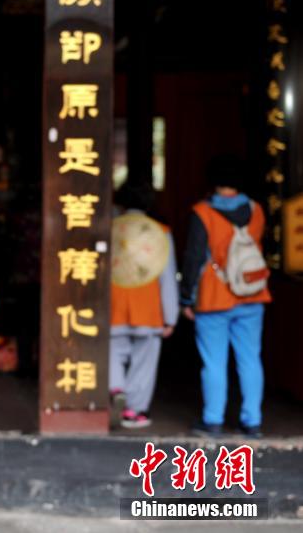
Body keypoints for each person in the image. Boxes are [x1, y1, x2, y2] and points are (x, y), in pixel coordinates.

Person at [180, 155, 271, 438]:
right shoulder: (256, 210)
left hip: (213, 296)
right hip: (253, 293)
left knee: (214, 361)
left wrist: (186, 299)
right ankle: (252, 421)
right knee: (250, 359)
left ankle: (213, 421)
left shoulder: (202, 213)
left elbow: (194, 258)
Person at [109, 181, 179, 429]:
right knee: (144, 359)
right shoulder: (160, 232)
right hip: (148, 307)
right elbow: (167, 277)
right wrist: (170, 316)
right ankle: (133, 410)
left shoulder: (110, 229)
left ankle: (115, 386)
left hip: (114, 304)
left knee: (113, 351)